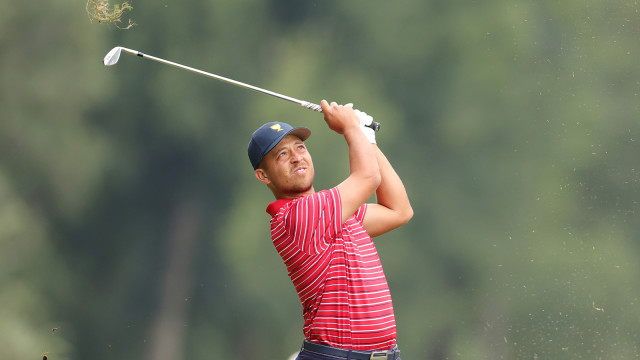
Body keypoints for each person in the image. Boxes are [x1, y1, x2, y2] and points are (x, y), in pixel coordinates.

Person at [248, 100, 413, 360]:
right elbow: (368, 177)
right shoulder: (296, 216)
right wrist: (351, 129)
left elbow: (399, 210)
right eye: (281, 154)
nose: (296, 157)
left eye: (300, 147)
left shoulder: (335, 212)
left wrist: (368, 138)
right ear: (263, 176)